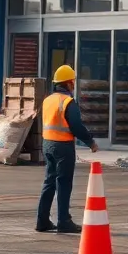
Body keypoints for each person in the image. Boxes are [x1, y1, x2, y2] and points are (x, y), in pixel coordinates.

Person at [36, 64, 100, 234]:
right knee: (64, 183)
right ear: (69, 83)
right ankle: (64, 220)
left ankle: (42, 220)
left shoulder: (48, 99)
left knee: (49, 182)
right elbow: (77, 126)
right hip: (63, 147)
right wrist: (90, 142)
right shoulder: (68, 102)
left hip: (47, 144)